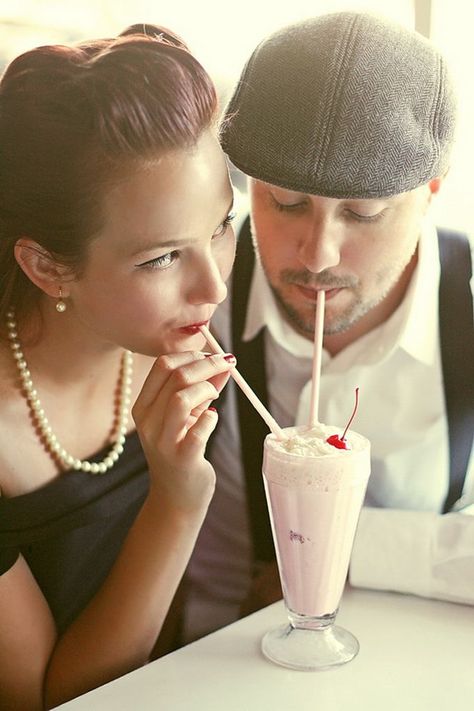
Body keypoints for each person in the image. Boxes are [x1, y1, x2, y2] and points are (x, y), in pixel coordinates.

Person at [181, 11, 474, 644]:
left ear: (432, 190)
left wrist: (348, 546)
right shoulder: (193, 301)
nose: (318, 254)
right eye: (284, 202)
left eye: (364, 213)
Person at [0, 24, 238, 709]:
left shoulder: (182, 327)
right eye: (162, 256)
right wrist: (177, 501)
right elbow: (49, 698)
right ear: (49, 267)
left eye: (220, 225)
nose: (214, 289)